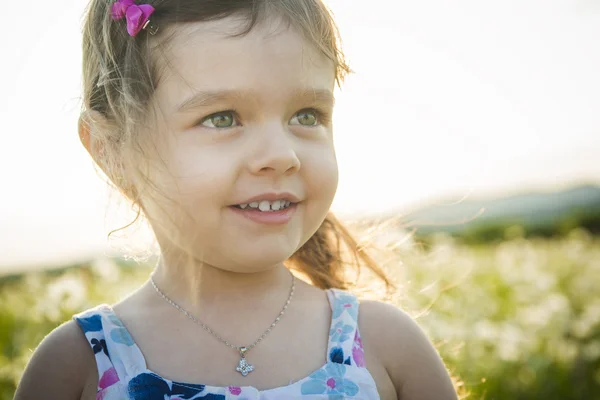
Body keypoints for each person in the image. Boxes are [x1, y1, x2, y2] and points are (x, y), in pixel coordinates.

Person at [15, 0, 457, 398]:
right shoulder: (76, 368)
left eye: (306, 115)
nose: (281, 156)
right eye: (222, 118)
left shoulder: (389, 348)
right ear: (112, 150)